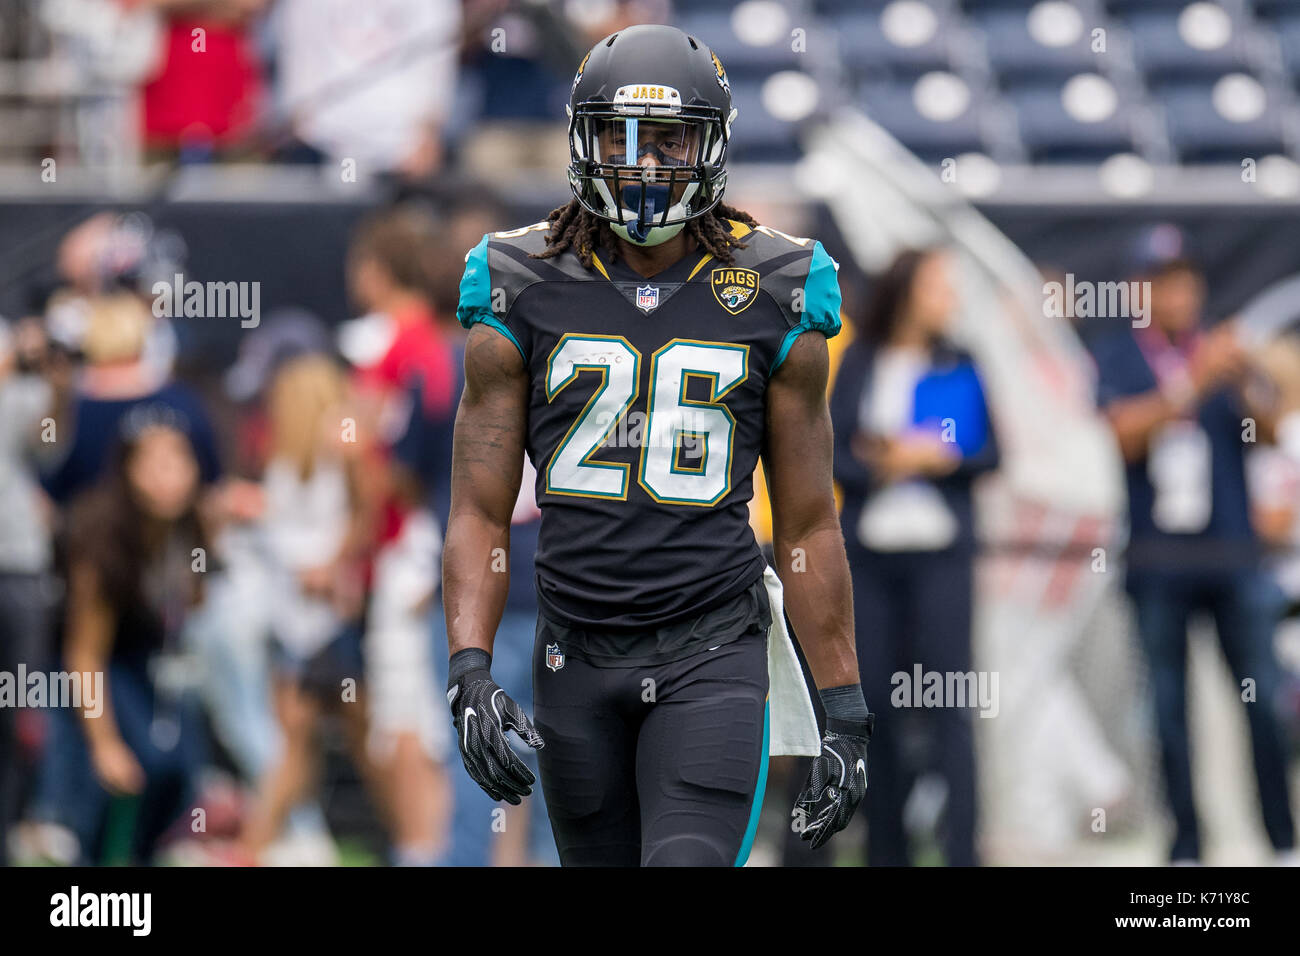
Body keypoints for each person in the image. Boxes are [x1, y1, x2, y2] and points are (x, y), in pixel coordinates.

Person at [442, 25, 873, 866]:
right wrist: (468, 669)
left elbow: (810, 524)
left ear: (710, 146)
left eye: (667, 138)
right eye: (618, 135)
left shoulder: (778, 289)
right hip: (574, 651)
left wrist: (844, 705)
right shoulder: (517, 281)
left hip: (712, 646)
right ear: (581, 141)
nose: (640, 163)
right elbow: (478, 511)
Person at [1090, 229, 1297, 863]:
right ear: (1136, 291)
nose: (1173, 295)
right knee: (1169, 711)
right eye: (1158, 282)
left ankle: (1280, 839)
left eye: (1181, 281)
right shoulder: (1116, 356)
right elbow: (1119, 436)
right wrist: (1190, 386)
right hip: (1158, 560)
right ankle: (1186, 845)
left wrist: (1252, 378)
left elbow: (1268, 435)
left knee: (1260, 699)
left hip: (1231, 556)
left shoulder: (1225, 352)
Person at [829, 248, 998, 866]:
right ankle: (886, 853)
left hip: (940, 559)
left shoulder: (962, 363)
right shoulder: (863, 362)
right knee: (874, 706)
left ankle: (961, 853)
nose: (947, 297)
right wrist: (885, 463)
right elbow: (835, 452)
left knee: (952, 704)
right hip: (872, 560)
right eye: (936, 285)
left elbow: (990, 454)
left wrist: (939, 458)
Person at [63, 421, 209, 864]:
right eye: (155, 463)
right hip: (97, 671)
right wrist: (104, 744)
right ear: (127, 471)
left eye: (179, 460)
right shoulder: (103, 540)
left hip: (155, 666)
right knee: (127, 772)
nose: (171, 475)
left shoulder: (188, 531)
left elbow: (194, 601)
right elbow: (84, 654)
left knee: (181, 774)